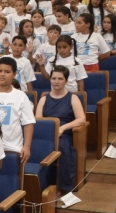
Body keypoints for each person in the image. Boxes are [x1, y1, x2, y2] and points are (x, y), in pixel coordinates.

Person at [36, 66, 87, 196]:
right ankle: (39, 185)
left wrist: (63, 128)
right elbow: (38, 119)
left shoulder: (72, 98)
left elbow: (81, 119)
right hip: (47, 134)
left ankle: (62, 186)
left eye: (60, 79)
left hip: (65, 133)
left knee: (62, 146)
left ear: (66, 80)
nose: (56, 81)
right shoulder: (44, 99)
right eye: (53, 78)